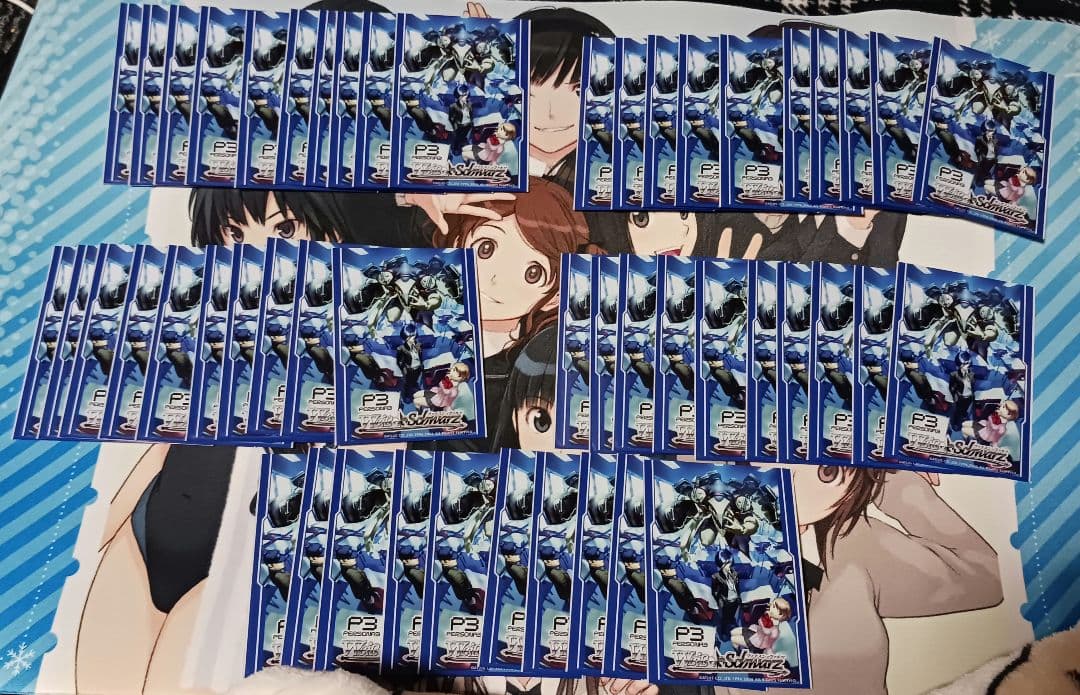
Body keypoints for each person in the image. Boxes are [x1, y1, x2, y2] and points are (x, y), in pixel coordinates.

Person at [719, 466, 1001, 695]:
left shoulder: (851, 544)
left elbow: (985, 576)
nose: (789, 480)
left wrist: (891, 480)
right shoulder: (712, 545)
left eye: (827, 471)